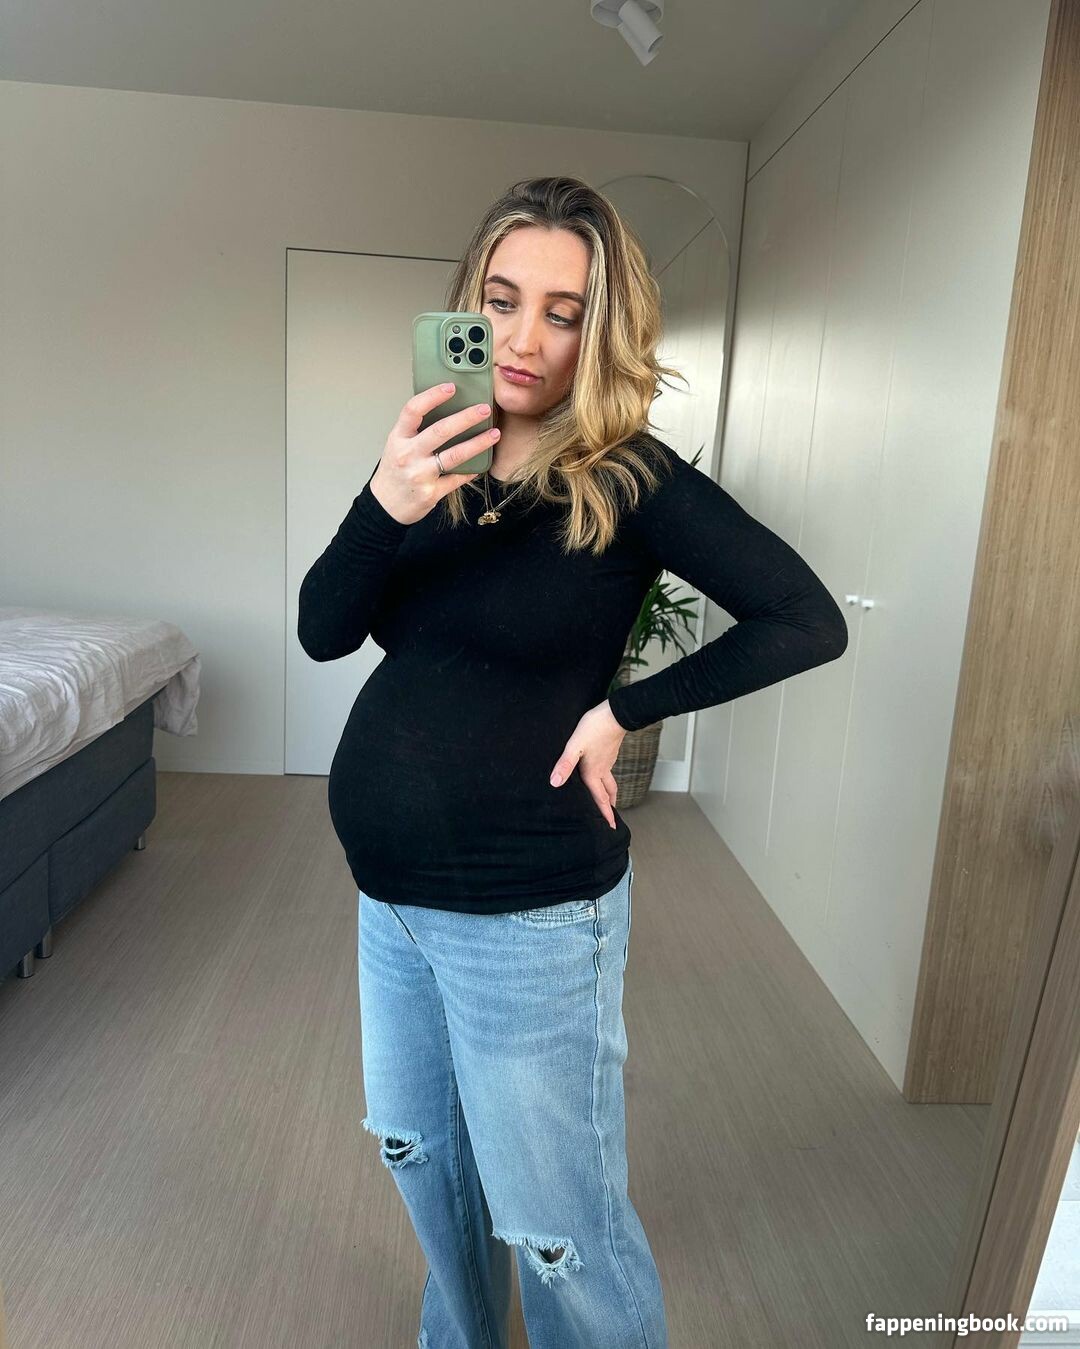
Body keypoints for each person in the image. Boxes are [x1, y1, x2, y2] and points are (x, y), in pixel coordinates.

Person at [297, 176, 849, 1349]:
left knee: (558, 1227)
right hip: (391, 903)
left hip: (532, 913)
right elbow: (323, 629)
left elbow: (805, 617)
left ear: (599, 329)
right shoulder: (431, 456)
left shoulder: (630, 475)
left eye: (563, 311)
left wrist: (624, 709)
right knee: (421, 1155)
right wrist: (386, 499)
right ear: (468, 302)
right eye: (502, 301)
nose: (524, 338)